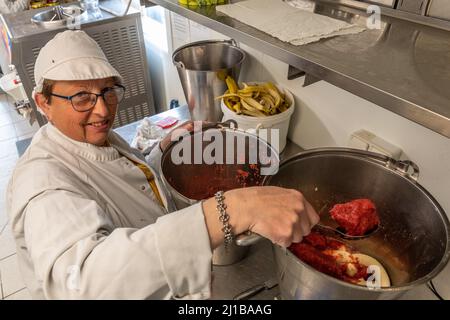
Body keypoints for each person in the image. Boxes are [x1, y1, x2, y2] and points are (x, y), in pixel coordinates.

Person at [6, 30, 319, 299]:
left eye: (107, 91)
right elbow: (83, 283)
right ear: (43, 103)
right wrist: (230, 210)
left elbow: (125, 182)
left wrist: (164, 148)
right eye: (81, 98)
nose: (102, 110)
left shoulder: (90, 139)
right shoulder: (42, 183)